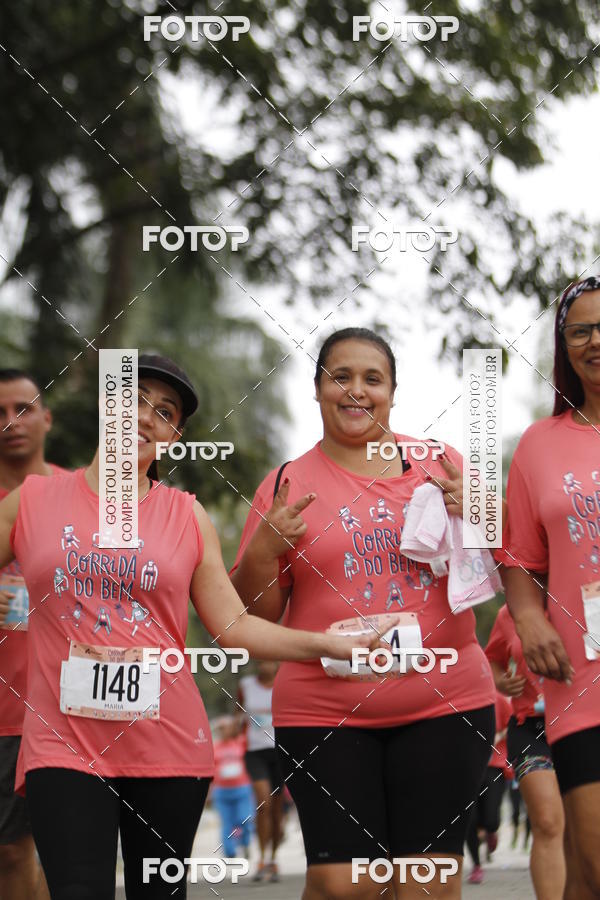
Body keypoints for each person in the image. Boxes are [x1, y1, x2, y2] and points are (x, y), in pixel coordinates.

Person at [0, 353, 383, 900]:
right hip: (62, 745)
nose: (146, 416)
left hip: (168, 746)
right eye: (133, 400)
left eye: (165, 412)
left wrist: (327, 644)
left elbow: (233, 625)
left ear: (173, 437)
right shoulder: (33, 500)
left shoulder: (186, 515)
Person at [231, 327, 499, 899]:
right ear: (318, 389)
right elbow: (255, 616)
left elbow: (508, 557)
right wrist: (261, 552)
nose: (356, 390)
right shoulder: (285, 484)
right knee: (343, 885)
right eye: (341, 377)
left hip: (445, 702)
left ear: (392, 393)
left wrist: (482, 512)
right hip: (324, 712)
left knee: (426, 885)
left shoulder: (441, 463)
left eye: (372, 379)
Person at [501, 276, 600, 900]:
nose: (596, 341)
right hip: (580, 680)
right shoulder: (540, 444)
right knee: (592, 858)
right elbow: (519, 554)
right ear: (565, 348)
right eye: (581, 330)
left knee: (585, 878)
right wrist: (529, 618)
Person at [0, 369, 66, 900]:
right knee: (11, 852)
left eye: (22, 409)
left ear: (47, 417)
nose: (11, 422)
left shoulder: (78, 493)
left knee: (45, 851)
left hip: (63, 706)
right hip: (4, 710)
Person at [485, 602, 565, 898]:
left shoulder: (586, 596)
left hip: (583, 723)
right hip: (532, 729)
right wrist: (501, 681)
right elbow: (491, 659)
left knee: (584, 826)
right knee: (547, 821)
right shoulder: (510, 613)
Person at [238, 661, 284, 882]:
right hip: (255, 752)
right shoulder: (246, 685)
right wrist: (235, 725)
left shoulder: (284, 684)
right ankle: (262, 859)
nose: (266, 665)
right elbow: (239, 713)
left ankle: (273, 859)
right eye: (261, 659)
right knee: (263, 804)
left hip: (280, 752)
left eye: (270, 660)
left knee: (276, 811)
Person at [465, 690, 512, 885]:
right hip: (467, 766)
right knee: (470, 819)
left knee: (491, 819)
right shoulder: (459, 700)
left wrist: (497, 736)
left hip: (494, 765)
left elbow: (513, 724)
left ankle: (491, 830)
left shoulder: (498, 699)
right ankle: (476, 865)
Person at [211, 715, 254, 860]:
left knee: (244, 818)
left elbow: (248, 729)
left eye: (225, 727)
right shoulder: (215, 747)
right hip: (222, 792)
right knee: (227, 823)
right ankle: (230, 852)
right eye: (220, 728)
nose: (223, 731)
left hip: (242, 789)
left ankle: (245, 842)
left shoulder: (240, 742)